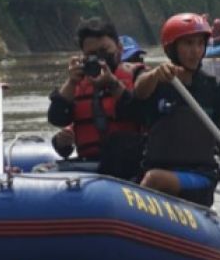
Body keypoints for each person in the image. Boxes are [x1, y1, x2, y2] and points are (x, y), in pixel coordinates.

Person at [133, 13, 220, 207]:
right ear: (172, 48)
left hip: (199, 178)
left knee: (153, 180)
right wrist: (154, 75)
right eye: (188, 44)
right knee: (151, 177)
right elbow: (139, 91)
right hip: (157, 171)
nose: (195, 51)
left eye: (199, 44)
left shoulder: (216, 88)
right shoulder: (155, 83)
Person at [47, 18, 146, 181]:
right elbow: (57, 117)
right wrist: (72, 82)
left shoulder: (138, 77)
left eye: (104, 50)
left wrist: (113, 85)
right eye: (91, 55)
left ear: (119, 49)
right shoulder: (78, 83)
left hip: (129, 166)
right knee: (41, 171)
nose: (100, 58)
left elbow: (142, 113)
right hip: (89, 166)